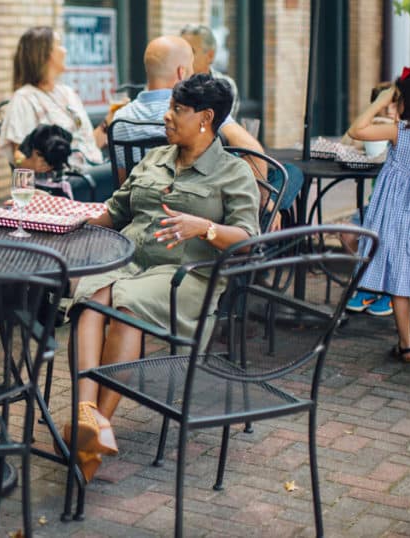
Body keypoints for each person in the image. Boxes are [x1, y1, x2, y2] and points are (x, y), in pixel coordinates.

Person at [68, 74, 260, 481]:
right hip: (131, 258)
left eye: (177, 110)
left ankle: (94, 423)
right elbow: (115, 211)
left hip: (185, 276)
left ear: (206, 118)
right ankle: (88, 418)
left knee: (122, 302)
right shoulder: (155, 158)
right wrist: (73, 219)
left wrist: (203, 227)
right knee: (92, 290)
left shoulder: (233, 172)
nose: (167, 117)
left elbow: (247, 239)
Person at [111, 35, 298, 230]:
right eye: (191, 68)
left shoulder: (120, 119)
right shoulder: (196, 108)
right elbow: (252, 150)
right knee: (290, 173)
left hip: (146, 207)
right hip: (207, 207)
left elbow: (125, 181)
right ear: (181, 72)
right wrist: (262, 206)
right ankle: (267, 219)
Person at [347, 68, 410, 362]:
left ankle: (406, 344)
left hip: (398, 215)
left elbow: (356, 130)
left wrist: (379, 101)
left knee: (400, 282)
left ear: (405, 101)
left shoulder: (398, 131)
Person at [0, 26, 116, 202]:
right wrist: (35, 163)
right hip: (64, 182)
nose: (65, 50)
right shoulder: (24, 98)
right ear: (45, 55)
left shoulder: (67, 93)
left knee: (125, 172)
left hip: (91, 171)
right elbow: (19, 158)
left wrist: (110, 118)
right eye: (59, 44)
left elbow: (88, 145)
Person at [341, 82, 400, 317]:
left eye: (393, 105)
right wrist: (375, 116)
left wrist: (385, 123)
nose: (389, 111)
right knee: (346, 233)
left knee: (381, 235)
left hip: (396, 207)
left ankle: (385, 289)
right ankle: (369, 283)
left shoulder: (404, 132)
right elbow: (347, 141)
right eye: (384, 105)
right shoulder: (375, 128)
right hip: (374, 205)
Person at [180, 24, 240, 117]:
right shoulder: (171, 83)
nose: (183, 57)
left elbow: (222, 126)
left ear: (210, 55)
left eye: (191, 52)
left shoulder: (225, 86)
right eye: (181, 52)